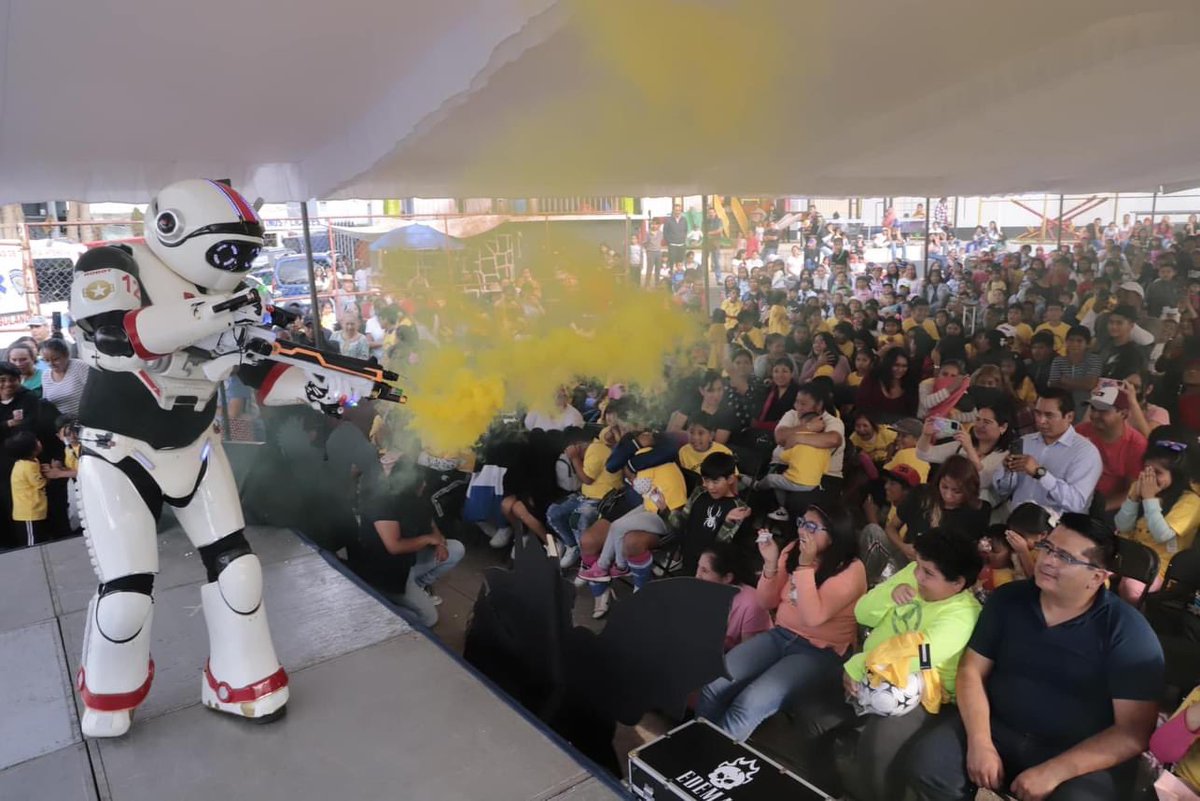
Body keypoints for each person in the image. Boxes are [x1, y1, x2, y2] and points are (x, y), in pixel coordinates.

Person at [902, 514, 1164, 801]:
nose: (1048, 560)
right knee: (929, 765)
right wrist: (980, 742)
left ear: (1097, 576)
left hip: (1076, 753)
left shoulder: (1128, 633)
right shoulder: (1008, 600)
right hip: (997, 727)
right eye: (1048, 548)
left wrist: (1055, 771)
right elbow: (971, 671)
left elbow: (1132, 732)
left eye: (1065, 557)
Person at [697, 505, 866, 742]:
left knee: (748, 704)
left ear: (835, 533)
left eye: (812, 527)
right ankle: (695, 745)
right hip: (781, 635)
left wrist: (805, 567)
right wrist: (771, 564)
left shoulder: (851, 569)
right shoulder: (794, 550)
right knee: (713, 685)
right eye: (801, 523)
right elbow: (766, 601)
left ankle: (711, 763)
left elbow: (813, 617)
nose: (802, 531)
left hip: (819, 651)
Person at [840, 529, 983, 801]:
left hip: (926, 695)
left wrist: (858, 665)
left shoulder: (962, 616)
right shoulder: (912, 576)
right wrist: (888, 596)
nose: (917, 577)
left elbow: (915, 655)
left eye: (928, 573)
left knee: (877, 746)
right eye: (918, 566)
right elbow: (862, 613)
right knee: (816, 713)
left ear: (957, 583)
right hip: (874, 672)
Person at [350, 465, 465, 627]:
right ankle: (380, 607)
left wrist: (439, 542)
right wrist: (427, 539)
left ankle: (419, 586)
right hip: (384, 574)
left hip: (407, 565)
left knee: (455, 548)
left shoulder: (415, 500)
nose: (425, 485)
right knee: (429, 619)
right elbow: (394, 546)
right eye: (422, 482)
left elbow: (432, 527)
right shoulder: (382, 504)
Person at [994, 388, 1102, 516]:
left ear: (1069, 417)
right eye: (1037, 413)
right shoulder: (1025, 442)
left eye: (1049, 415)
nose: (1041, 421)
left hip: (1057, 529)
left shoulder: (1085, 453)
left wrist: (1040, 473)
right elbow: (1002, 491)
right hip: (1016, 520)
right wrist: (1007, 472)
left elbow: (1076, 504)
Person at [1114, 440, 1200, 601]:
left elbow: (1162, 535)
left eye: (1157, 473)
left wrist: (1149, 499)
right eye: (1146, 470)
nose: (1150, 478)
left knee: (1131, 585)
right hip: (1129, 554)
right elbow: (1122, 525)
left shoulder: (1191, 502)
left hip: (1160, 567)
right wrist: (1133, 499)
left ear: (1175, 475)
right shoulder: (1138, 487)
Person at [547, 419, 625, 569]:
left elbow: (586, 479)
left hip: (603, 498)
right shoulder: (593, 447)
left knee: (578, 520)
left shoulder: (595, 450)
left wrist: (575, 458)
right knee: (553, 512)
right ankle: (573, 546)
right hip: (585, 495)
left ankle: (588, 561)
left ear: (577, 445)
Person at [1075, 385, 1148, 514]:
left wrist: (1098, 508)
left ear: (1123, 413)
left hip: (1110, 508)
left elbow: (1133, 491)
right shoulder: (1080, 432)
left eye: (1103, 410)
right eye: (1093, 408)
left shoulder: (1136, 445)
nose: (1095, 415)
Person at [696, 543, 771, 652]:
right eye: (698, 567)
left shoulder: (752, 604)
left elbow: (748, 653)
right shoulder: (702, 592)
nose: (697, 575)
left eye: (705, 571)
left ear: (727, 578)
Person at [758, 412, 829, 521]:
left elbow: (783, 457)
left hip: (796, 481)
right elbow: (825, 469)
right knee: (779, 481)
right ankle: (782, 508)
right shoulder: (825, 448)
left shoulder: (799, 443)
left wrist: (788, 446)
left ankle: (758, 487)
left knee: (771, 478)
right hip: (813, 484)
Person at [1049, 325, 1103, 419]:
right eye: (1071, 340)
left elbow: (1090, 384)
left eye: (1079, 341)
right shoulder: (1058, 361)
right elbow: (1053, 386)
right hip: (1062, 410)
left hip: (1087, 410)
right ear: (1066, 341)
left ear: (1087, 344)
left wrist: (1064, 380)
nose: (1074, 344)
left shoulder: (1094, 360)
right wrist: (1081, 383)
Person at [856, 346, 917, 420]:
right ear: (888, 364)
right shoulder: (872, 379)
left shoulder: (911, 385)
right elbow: (861, 407)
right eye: (896, 365)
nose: (900, 369)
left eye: (904, 366)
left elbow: (911, 416)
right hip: (872, 426)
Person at [8, 430, 46, 547]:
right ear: (32, 450)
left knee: (38, 539)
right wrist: (52, 472)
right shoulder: (27, 467)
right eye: (37, 441)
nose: (39, 442)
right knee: (32, 544)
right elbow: (41, 483)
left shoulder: (31, 461)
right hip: (28, 514)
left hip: (34, 511)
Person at [38, 338, 89, 419]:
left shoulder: (79, 366)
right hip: (63, 424)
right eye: (46, 360)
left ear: (66, 354)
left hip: (87, 419)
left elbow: (94, 393)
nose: (51, 364)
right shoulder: (46, 375)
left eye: (55, 359)